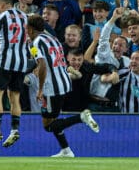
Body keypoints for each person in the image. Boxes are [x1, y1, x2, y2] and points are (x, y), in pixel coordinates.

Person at [27, 14, 100, 158]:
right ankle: (66, 150)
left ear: (29, 29)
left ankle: (81, 118)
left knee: (48, 125)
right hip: (64, 82)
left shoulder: (35, 44)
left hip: (51, 87)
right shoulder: (53, 39)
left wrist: (40, 89)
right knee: (54, 120)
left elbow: (42, 66)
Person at [0, 0, 28, 148]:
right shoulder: (24, 16)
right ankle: (15, 130)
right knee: (14, 97)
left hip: (4, 62)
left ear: (2, 4)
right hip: (21, 63)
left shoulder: (0, 17)